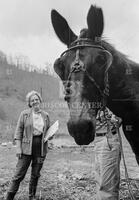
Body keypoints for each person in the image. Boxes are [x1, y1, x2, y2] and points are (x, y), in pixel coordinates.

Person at [6, 90, 51, 200]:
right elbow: (18, 132)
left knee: (35, 174)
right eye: (32, 100)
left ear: (40, 100)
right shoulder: (24, 114)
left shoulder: (46, 115)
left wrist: (50, 135)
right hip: (26, 149)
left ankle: (32, 196)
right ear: (29, 103)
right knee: (18, 175)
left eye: (36, 99)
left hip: (40, 150)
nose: (35, 101)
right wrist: (18, 148)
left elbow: (48, 131)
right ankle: (9, 197)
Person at [94, 107, 122, 200]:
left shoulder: (112, 98)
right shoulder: (94, 100)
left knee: (108, 186)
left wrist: (115, 119)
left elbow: (120, 118)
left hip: (108, 139)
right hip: (98, 139)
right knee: (100, 183)